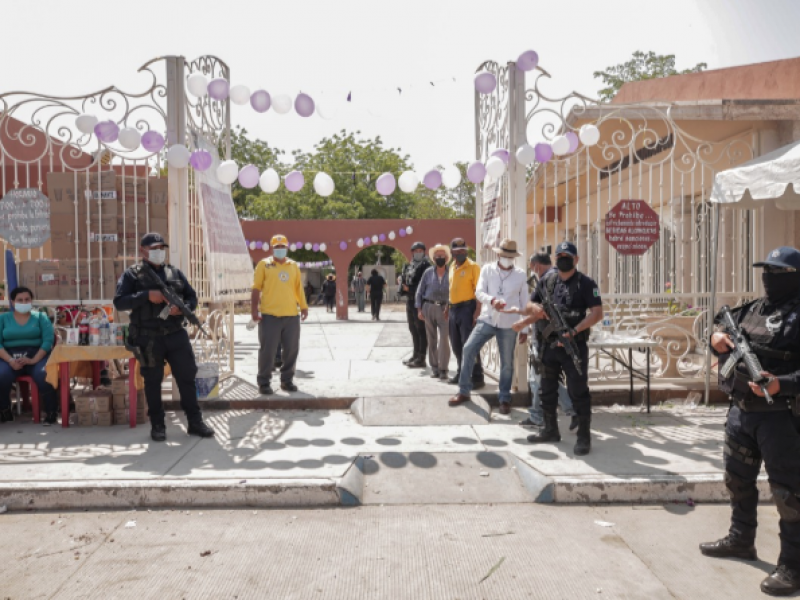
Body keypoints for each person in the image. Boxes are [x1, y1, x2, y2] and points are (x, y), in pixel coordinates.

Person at [700, 246, 800, 597]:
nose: (769, 277)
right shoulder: (752, 309)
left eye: (778, 272)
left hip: (781, 417)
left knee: (789, 495)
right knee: (737, 480)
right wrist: (716, 340)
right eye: (766, 270)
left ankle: (792, 565)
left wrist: (781, 384)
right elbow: (716, 328)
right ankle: (741, 540)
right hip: (741, 412)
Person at [114, 232, 215, 442]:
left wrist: (183, 308)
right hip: (148, 337)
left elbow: (192, 296)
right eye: (154, 248)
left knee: (187, 378)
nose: (159, 252)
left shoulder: (174, 273)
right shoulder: (132, 274)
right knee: (152, 382)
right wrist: (146, 296)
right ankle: (158, 425)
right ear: (143, 250)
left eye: (161, 248)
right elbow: (119, 302)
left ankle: (195, 422)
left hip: (176, 334)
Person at [514, 241, 602, 456]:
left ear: (576, 259)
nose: (563, 258)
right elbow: (528, 306)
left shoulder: (586, 283)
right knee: (547, 389)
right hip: (548, 346)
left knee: (578, 391)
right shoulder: (548, 280)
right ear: (554, 259)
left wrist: (574, 330)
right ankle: (550, 429)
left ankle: (583, 437)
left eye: (568, 255)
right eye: (560, 255)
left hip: (573, 345)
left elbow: (597, 313)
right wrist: (535, 308)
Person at [448, 239, 529, 415]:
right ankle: (464, 391)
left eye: (510, 256)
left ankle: (504, 398)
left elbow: (525, 302)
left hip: (509, 323)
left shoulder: (520, 275)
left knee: (507, 363)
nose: (507, 259)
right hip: (488, 319)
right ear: (498, 254)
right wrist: (492, 301)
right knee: (468, 349)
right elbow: (479, 292)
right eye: (504, 255)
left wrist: (524, 327)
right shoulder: (487, 269)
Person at [517, 253, 577, 432]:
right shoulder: (561, 277)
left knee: (541, 379)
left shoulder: (548, 280)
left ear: (536, 265)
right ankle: (539, 415)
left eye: (531, 266)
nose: (531, 270)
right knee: (541, 379)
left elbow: (537, 310)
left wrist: (524, 325)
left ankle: (572, 409)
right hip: (553, 337)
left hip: (547, 339)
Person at [250, 234, 309, 396]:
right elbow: (256, 288)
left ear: (287, 247)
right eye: (277, 247)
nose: (280, 249)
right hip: (270, 315)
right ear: (272, 248)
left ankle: (287, 380)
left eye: (283, 247)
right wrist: (254, 310)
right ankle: (264, 382)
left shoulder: (293, 266)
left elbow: (298, 288)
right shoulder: (264, 265)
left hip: (291, 315)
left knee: (291, 350)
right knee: (267, 351)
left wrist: (303, 307)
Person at [0, 287, 57, 425]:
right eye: (20, 300)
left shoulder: (40, 317)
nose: (24, 302)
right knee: (2, 375)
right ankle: (4, 410)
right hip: (9, 356)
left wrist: (33, 360)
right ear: (12, 302)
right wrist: (10, 360)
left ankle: (51, 412)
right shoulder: (3, 318)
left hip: (36, 355)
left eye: (27, 299)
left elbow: (48, 341)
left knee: (44, 374)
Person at [448, 237, 484, 388]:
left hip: (467, 309)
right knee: (456, 344)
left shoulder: (473, 267)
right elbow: (450, 289)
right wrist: (446, 308)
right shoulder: (451, 266)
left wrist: (477, 312)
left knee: (469, 344)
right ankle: (461, 371)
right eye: (457, 251)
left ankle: (477, 376)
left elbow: (480, 292)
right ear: (452, 253)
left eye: (463, 250)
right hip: (453, 309)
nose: (460, 253)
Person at [416, 244, 451, 380]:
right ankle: (435, 368)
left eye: (442, 256)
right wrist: (419, 309)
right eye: (437, 256)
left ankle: (444, 369)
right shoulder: (428, 272)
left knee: (444, 340)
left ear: (447, 258)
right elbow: (419, 291)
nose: (440, 258)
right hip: (429, 307)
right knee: (431, 339)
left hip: (445, 309)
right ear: (434, 258)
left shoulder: (451, 272)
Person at [400, 242, 432, 368]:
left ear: (424, 252)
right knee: (413, 329)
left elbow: (425, 287)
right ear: (412, 252)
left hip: (420, 302)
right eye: (416, 250)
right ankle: (415, 354)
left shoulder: (427, 267)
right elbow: (408, 281)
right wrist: (402, 286)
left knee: (421, 329)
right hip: (410, 300)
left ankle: (422, 357)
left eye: (420, 250)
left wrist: (410, 289)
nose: (418, 252)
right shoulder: (410, 265)